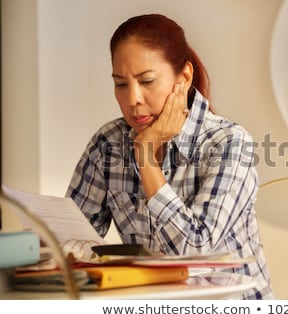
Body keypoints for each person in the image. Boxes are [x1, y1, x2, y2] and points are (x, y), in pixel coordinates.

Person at [66, 13, 273, 299]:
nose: (133, 99)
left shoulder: (229, 143)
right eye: (121, 84)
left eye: (147, 81)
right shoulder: (108, 143)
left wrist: (147, 160)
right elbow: (68, 242)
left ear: (184, 77)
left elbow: (194, 254)